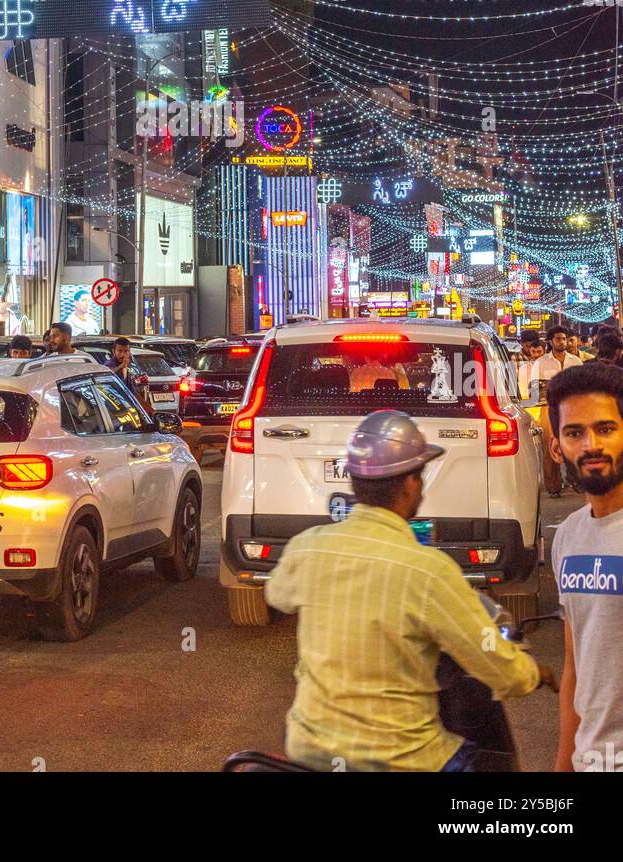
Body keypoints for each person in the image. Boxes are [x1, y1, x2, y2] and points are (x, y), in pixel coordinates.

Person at [265, 410, 550, 772]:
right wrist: (533, 673)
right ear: (411, 483)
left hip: (308, 748)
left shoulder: (307, 546)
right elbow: (502, 672)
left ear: (353, 481)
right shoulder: (429, 571)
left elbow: (277, 595)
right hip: (402, 760)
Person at [547, 362, 623, 772]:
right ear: (557, 446)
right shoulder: (568, 537)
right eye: (575, 432)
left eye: (606, 428)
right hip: (592, 760)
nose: (591, 444)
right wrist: (565, 762)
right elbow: (575, 664)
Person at [528, 326, 583, 496]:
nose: (562, 342)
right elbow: (534, 389)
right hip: (548, 408)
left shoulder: (575, 361)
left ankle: (577, 480)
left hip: (573, 408)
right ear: (551, 341)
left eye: (564, 338)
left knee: (575, 444)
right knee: (550, 446)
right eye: (558, 339)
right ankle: (553, 487)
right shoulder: (541, 362)